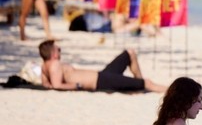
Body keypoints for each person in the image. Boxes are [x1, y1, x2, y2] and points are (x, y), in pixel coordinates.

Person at [38, 39, 166, 93]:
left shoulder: (44, 66)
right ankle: (171, 91)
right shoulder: (55, 65)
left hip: (102, 75)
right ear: (53, 54)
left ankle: (138, 84)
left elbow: (46, 84)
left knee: (130, 53)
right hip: (102, 82)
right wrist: (76, 86)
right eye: (58, 49)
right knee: (148, 83)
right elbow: (56, 85)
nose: (60, 52)